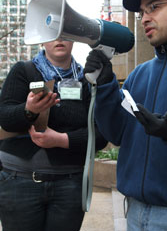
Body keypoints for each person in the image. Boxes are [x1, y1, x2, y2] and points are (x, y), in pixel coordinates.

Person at [84, 0, 167, 231]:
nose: (145, 18)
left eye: (154, 7)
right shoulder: (139, 73)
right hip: (134, 213)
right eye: (141, 13)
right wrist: (105, 86)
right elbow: (116, 133)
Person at [0, 39, 107, 231]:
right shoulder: (23, 71)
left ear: (73, 38)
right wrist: (28, 110)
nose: (59, 39)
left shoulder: (88, 80)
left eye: (65, 33)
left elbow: (101, 134)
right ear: (41, 40)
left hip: (70, 185)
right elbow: (5, 118)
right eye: (53, 34)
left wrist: (62, 140)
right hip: (19, 182)